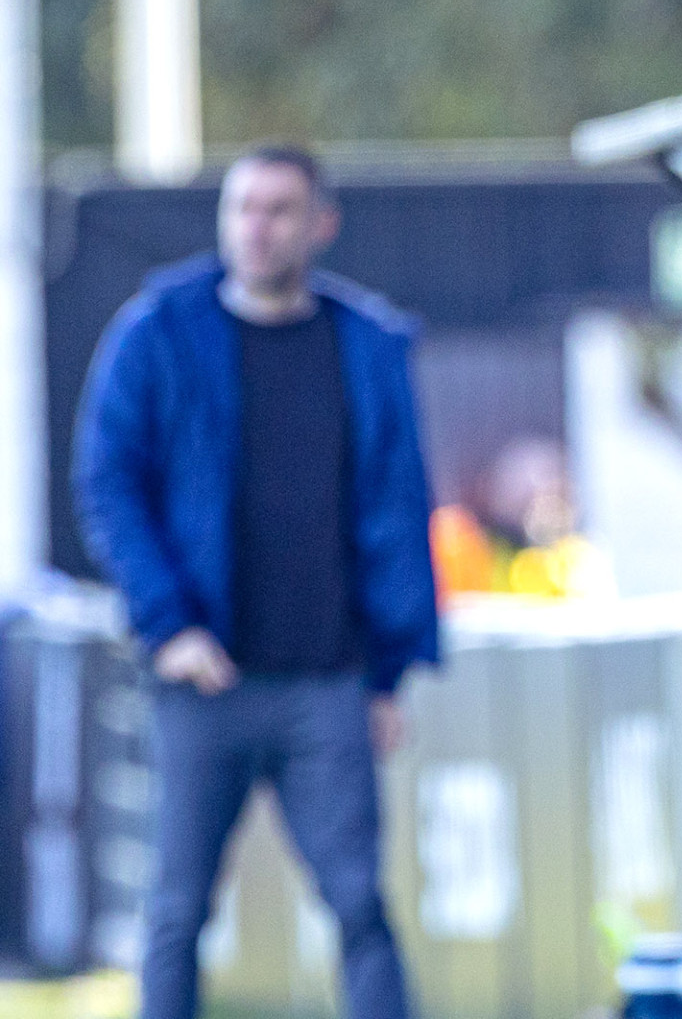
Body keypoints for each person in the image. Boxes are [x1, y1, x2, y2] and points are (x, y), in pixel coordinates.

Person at [73, 145, 438, 1019]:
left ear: (321, 225)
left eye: (279, 210)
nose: (257, 227)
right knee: (175, 911)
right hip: (206, 680)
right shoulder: (161, 331)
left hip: (329, 683)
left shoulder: (367, 345)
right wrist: (168, 626)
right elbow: (107, 483)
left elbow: (397, 506)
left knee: (360, 907)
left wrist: (388, 673)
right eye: (242, 208)